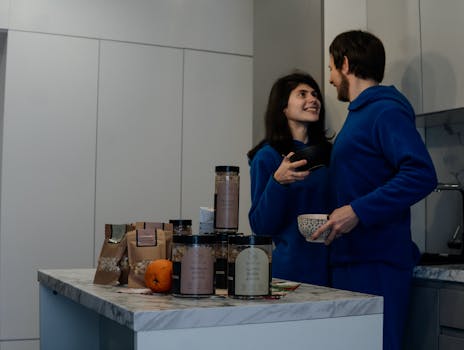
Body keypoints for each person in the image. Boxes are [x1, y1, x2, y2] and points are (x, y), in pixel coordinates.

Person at [311, 30, 437, 350]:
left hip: (376, 263)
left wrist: (357, 211)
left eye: (330, 69)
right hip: (351, 261)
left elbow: (421, 174)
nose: (329, 79)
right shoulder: (358, 116)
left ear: (345, 64)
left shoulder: (385, 110)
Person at [248, 71, 332, 286]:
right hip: (291, 273)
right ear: (283, 107)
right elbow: (261, 227)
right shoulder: (267, 157)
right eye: (302, 94)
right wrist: (277, 183)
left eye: (315, 94)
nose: (313, 99)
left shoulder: (333, 153)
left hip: (337, 267)